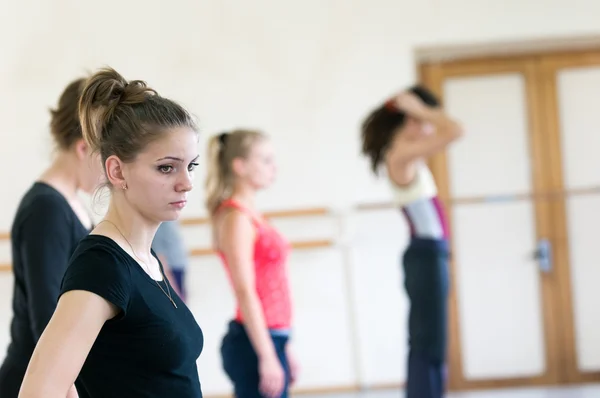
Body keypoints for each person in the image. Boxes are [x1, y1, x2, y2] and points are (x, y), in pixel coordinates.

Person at [17, 67, 204, 398]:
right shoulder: (103, 265)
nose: (186, 183)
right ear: (117, 170)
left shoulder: (144, 259)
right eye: (166, 167)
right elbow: (38, 392)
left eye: (190, 166)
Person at [0, 77, 103, 398]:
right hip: (38, 382)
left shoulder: (68, 201)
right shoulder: (46, 208)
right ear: (83, 148)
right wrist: (68, 388)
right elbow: (48, 313)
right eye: (107, 155)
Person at [360, 85, 463, 398]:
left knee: (428, 342)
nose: (431, 127)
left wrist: (418, 110)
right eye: (423, 119)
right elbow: (457, 130)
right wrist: (418, 107)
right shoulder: (401, 153)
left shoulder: (405, 152)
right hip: (426, 255)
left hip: (429, 255)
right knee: (427, 344)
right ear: (412, 119)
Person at [205, 130, 299, 398]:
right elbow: (245, 291)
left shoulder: (252, 215)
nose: (274, 168)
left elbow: (273, 284)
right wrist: (267, 356)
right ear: (240, 166)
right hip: (253, 343)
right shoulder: (236, 218)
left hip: (272, 337)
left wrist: (285, 345)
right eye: (266, 160)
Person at [152, 220, 189, 301]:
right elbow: (159, 255)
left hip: (178, 268)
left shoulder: (171, 220)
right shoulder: (160, 224)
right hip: (171, 271)